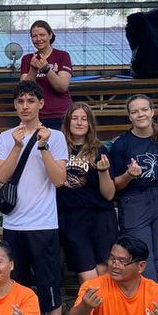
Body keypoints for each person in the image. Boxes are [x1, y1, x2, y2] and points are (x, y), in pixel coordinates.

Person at [0, 82, 68, 315]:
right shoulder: (5, 137)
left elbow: (59, 179)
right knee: (20, 287)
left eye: (30, 101)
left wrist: (44, 146)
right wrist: (16, 145)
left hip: (44, 222)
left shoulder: (56, 136)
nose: (25, 106)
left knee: (49, 285)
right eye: (20, 101)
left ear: (40, 104)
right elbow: (2, 175)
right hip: (15, 224)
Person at [111, 94, 158, 285]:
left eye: (144, 109)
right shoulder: (121, 144)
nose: (140, 114)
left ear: (152, 112)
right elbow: (114, 185)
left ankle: (152, 299)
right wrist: (129, 174)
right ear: (129, 116)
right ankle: (150, 297)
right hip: (134, 201)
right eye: (135, 111)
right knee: (143, 257)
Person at [57, 102, 116, 282]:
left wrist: (103, 171)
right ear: (67, 122)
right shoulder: (58, 148)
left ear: (90, 123)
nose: (79, 122)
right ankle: (92, 309)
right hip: (71, 216)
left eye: (84, 119)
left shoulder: (100, 150)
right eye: (75, 118)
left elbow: (109, 194)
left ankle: (104, 310)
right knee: (87, 273)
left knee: (103, 269)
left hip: (100, 215)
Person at [19, 19, 73, 129]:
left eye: (42, 35)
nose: (38, 39)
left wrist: (47, 70)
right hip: (35, 115)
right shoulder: (27, 59)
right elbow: (24, 90)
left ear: (50, 35)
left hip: (60, 115)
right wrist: (33, 69)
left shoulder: (62, 56)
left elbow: (62, 87)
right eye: (34, 36)